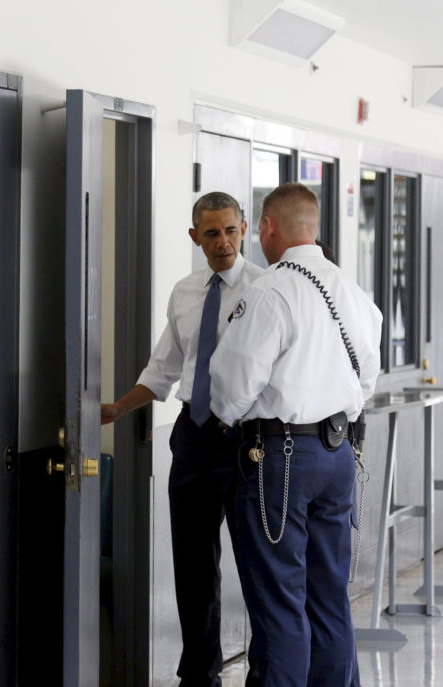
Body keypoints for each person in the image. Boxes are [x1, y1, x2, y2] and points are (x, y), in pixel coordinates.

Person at [210, 182, 382, 686]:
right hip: (338, 455)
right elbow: (366, 379)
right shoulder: (351, 292)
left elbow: (233, 382)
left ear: (266, 228)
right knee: (329, 596)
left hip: (281, 461)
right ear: (314, 227)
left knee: (281, 602)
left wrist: (226, 416)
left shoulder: (269, 290)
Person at [102, 191, 264, 686]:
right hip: (193, 440)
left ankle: (269, 671)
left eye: (231, 231)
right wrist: (113, 410)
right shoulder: (186, 292)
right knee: (193, 570)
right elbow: (164, 370)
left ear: (245, 230)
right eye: (211, 234)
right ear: (195, 237)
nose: (223, 243)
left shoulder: (266, 289)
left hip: (247, 442)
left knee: (260, 566)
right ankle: (199, 675)